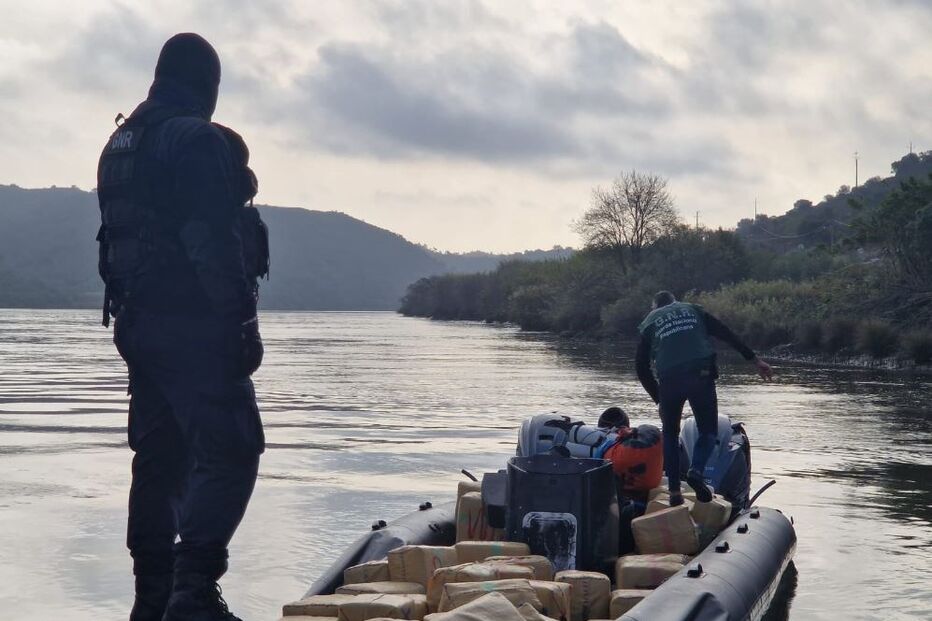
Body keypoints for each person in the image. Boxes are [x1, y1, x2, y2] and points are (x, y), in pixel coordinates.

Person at [96, 33, 269, 621]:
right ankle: (193, 593)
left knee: (160, 457)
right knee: (234, 447)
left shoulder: (121, 142)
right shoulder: (193, 138)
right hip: (191, 323)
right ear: (208, 85)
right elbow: (210, 240)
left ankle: (151, 598)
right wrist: (241, 321)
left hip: (137, 323)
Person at [635, 291, 771, 506]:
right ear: (674, 302)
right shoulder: (693, 310)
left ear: (654, 307)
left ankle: (674, 493)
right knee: (708, 430)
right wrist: (755, 360)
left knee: (670, 434)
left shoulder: (650, 322)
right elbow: (726, 333)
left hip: (669, 380)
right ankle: (696, 471)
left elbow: (641, 368)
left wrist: (658, 399)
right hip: (701, 375)